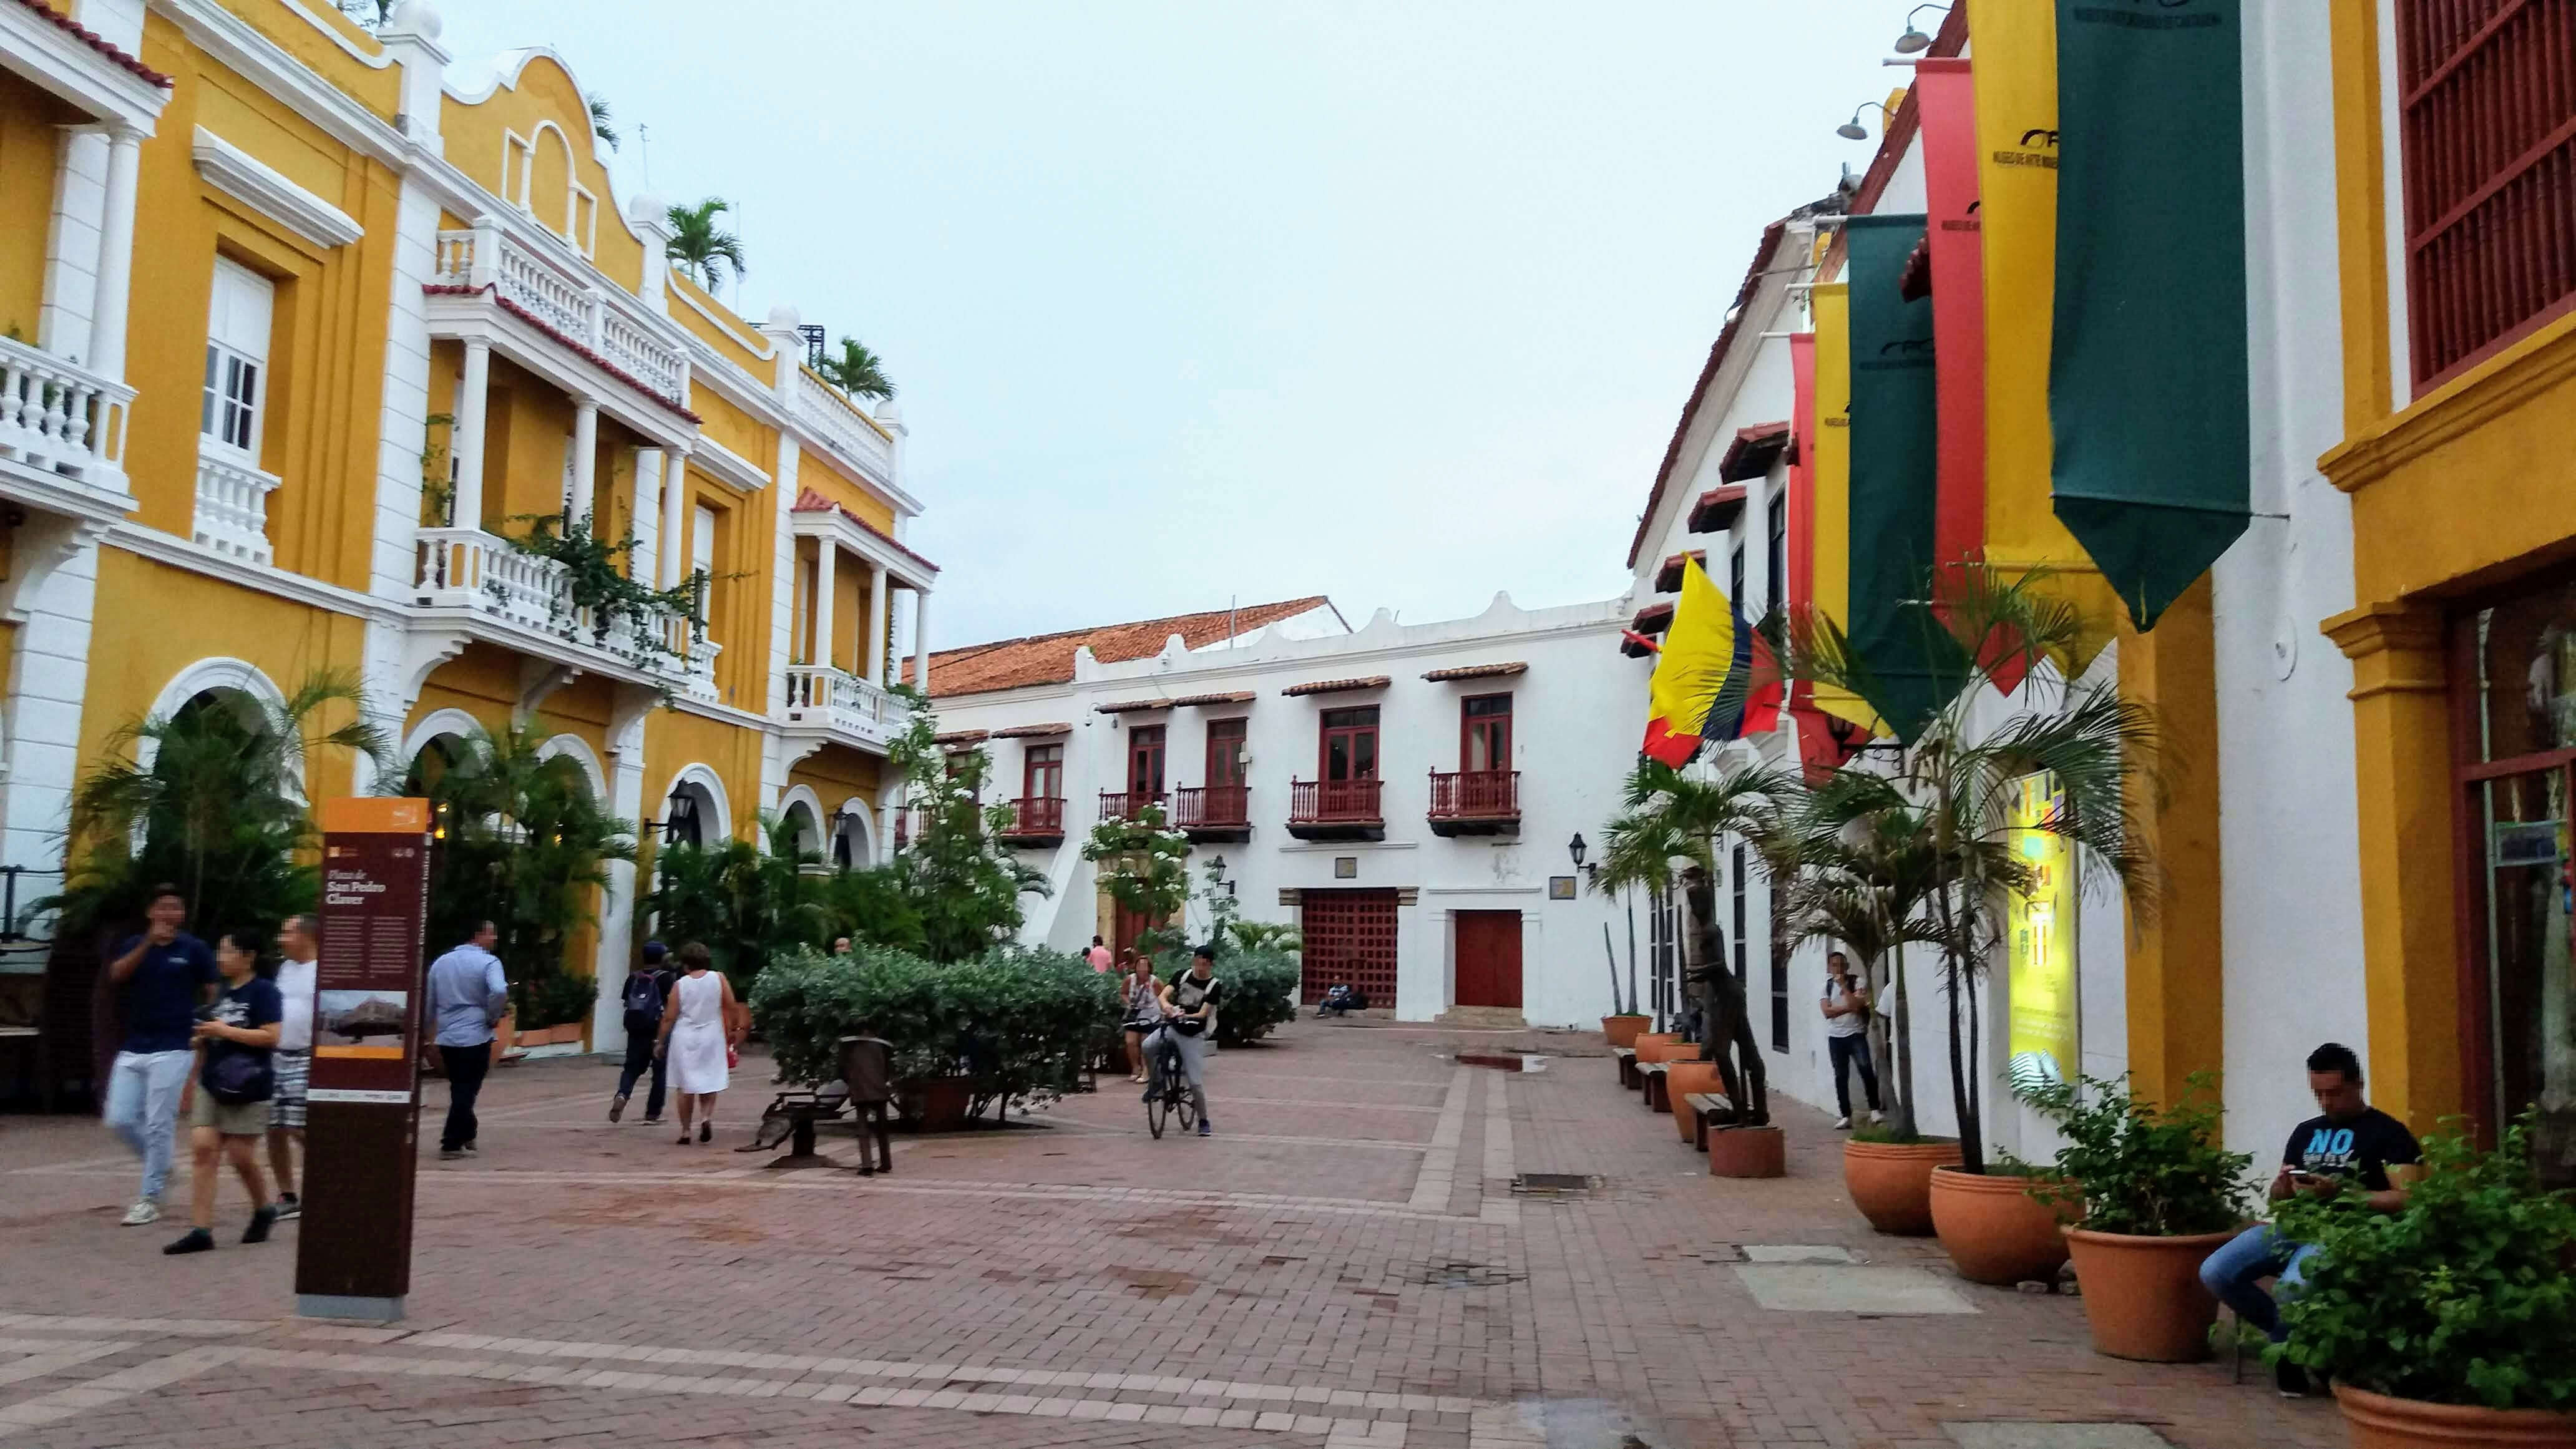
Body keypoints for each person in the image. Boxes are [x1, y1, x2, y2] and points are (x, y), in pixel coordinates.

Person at [2198, 1042, 2422, 1397]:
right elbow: (2278, 1198)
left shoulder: (2389, 1134)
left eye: (2334, 1093)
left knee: (2293, 1286)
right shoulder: (2306, 1131)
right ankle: (2293, 1342)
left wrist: (2342, 1195)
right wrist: (2282, 1188)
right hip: (2297, 1226)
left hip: (2348, 1233)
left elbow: (2409, 1198)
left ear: (2358, 1084)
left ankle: (2290, 1357)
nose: (2326, 1102)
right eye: (2318, 1094)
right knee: (2216, 1271)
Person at [102, 886, 218, 1227]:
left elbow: (212, 989)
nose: (170, 914)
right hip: (134, 1045)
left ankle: (150, 1197)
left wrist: (204, 1022)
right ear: (151, 912)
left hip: (175, 1045)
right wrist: (148, 943)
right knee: (119, 1119)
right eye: (164, 907)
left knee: (158, 1123)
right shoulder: (134, 945)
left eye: (177, 907)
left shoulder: (194, 949)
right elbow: (117, 974)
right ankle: (164, 1167)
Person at [165, 929, 281, 1255]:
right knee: (203, 1149)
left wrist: (224, 1030)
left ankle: (264, 1208)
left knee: (240, 1156)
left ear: (248, 956)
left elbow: (272, 1036)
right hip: (212, 1082)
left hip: (250, 1083)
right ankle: (201, 1230)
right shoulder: (222, 993)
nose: (221, 958)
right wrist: (202, 1037)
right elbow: (210, 1031)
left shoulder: (265, 992)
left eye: (228, 951)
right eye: (220, 951)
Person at [424, 921, 508, 1161]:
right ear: (478, 935)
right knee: (467, 1089)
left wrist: (428, 1031)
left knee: (460, 1087)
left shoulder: (441, 963)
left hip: (448, 1036)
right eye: (491, 934)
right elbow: (500, 991)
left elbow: (430, 1002)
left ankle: (468, 1131)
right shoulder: (489, 962)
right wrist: (493, 1017)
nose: (494, 938)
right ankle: (450, 1142)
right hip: (476, 1035)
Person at [656, 942, 741, 1144]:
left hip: (685, 1037)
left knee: (685, 1086)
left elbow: (669, 1017)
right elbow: (731, 1006)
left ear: (686, 966)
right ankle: (705, 1118)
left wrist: (659, 1041)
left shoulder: (681, 985)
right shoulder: (718, 978)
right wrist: (733, 1030)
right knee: (709, 1080)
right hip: (712, 1035)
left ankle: (686, 1132)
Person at [266, 914, 318, 1220]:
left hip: (307, 1055)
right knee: (274, 1126)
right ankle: (287, 1194)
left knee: (298, 1126)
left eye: (287, 932)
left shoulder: (323, 970)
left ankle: (328, 1179)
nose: (281, 939)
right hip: (276, 1055)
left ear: (306, 936)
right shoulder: (285, 969)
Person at [1146, 944, 1223, 1137]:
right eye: (1197, 961)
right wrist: (1167, 1007)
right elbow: (1164, 995)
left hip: (1193, 1034)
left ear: (1211, 965)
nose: (1200, 966)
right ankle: (1156, 1082)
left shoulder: (1214, 985)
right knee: (1147, 1046)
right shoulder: (1182, 975)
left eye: (1205, 963)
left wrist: (1187, 1015)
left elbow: (1204, 1013)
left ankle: (1203, 1120)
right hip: (1173, 1027)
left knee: (1195, 1082)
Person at [609, 941, 675, 1125]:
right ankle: (652, 1113)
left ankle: (623, 1094)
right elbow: (672, 1005)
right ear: (661, 958)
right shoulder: (666, 978)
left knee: (631, 1068)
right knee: (660, 1071)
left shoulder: (633, 977)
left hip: (636, 1029)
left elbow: (626, 1002)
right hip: (658, 1029)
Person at [1820, 952, 1881, 1129]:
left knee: (1866, 1070)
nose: (1838, 968)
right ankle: (1846, 1115)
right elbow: (1826, 1012)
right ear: (1829, 968)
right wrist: (1849, 1007)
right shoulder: (1826, 987)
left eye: (1841, 964)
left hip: (1855, 1034)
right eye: (1834, 965)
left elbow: (1856, 1006)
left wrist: (1844, 988)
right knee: (1840, 1076)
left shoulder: (1858, 982)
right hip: (1836, 1038)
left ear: (1847, 966)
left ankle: (1875, 1109)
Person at [1121, 954, 1164, 1083]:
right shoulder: (1130, 980)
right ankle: (1136, 1068)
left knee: (1145, 1043)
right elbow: (1123, 993)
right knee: (1130, 1042)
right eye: (1140, 966)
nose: (1142, 969)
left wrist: (1164, 1012)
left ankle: (1147, 1071)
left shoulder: (1155, 982)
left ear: (1149, 968)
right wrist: (1128, 1002)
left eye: (1145, 966)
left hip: (1151, 1014)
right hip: (1135, 1013)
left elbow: (1163, 997)